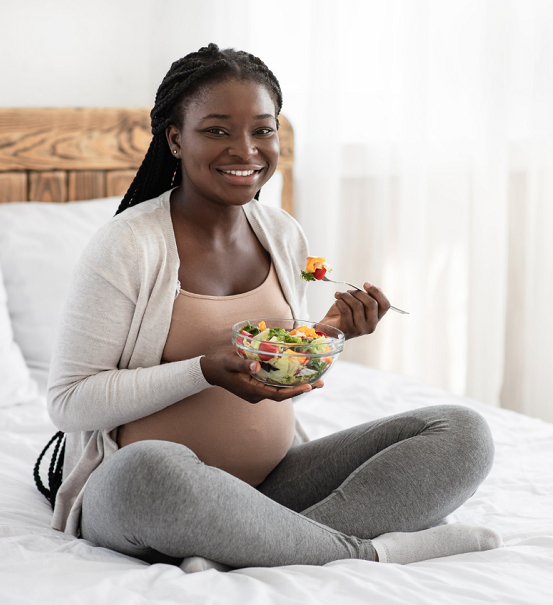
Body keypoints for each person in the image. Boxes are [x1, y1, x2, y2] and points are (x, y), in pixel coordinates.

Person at [47, 43, 502, 571]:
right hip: (146, 489)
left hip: (274, 485)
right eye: (217, 129)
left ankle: (253, 543)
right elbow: (69, 402)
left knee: (461, 433)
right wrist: (203, 371)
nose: (246, 149)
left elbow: (270, 385)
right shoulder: (127, 245)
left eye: (262, 129)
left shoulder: (282, 233)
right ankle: (368, 552)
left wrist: (329, 335)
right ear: (175, 138)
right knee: (151, 469)